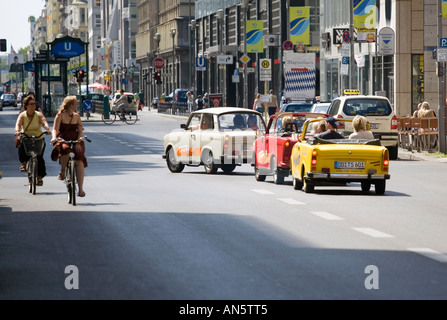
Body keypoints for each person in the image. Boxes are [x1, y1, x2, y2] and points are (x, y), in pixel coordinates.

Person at [51, 96, 88, 197]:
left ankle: (80, 189)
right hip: (63, 139)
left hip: (75, 140)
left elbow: (80, 131)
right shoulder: (60, 116)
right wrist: (54, 137)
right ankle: (63, 170)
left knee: (79, 160)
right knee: (65, 149)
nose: (77, 105)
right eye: (76, 103)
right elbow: (55, 129)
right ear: (71, 105)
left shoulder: (77, 116)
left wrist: (79, 141)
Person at [14, 95, 51, 186]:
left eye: (34, 104)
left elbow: (44, 122)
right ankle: (23, 163)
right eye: (31, 104)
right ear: (26, 106)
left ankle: (39, 177)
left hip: (38, 137)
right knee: (22, 147)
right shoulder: (22, 115)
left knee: (39, 157)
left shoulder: (38, 114)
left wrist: (47, 129)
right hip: (26, 137)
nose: (33, 105)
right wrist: (18, 132)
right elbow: (18, 125)